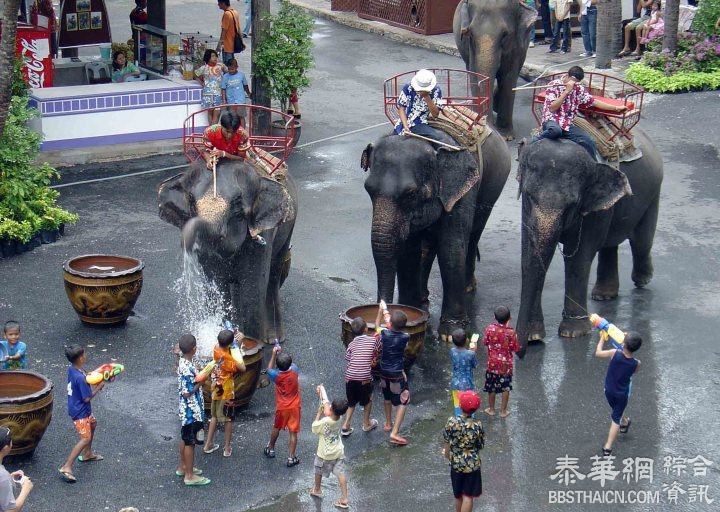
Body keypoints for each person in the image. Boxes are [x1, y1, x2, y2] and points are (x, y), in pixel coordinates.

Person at [532, 66, 628, 159]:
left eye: (577, 83)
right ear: (568, 76)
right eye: (574, 82)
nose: (575, 84)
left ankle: (593, 166)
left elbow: (593, 102)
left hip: (567, 123)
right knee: (555, 131)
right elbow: (552, 108)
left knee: (589, 142)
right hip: (552, 120)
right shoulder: (554, 85)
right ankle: (533, 142)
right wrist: (566, 91)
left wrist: (616, 108)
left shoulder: (578, 88)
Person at [58, 344, 105, 484]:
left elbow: (87, 378)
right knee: (84, 438)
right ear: (79, 358)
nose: (85, 356)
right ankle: (67, 466)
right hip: (80, 412)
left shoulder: (73, 370)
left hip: (77, 407)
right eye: (83, 355)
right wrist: (99, 387)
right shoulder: (80, 378)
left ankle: (87, 454)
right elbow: (87, 398)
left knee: (93, 423)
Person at [595, 330, 642, 456]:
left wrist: (601, 339)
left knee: (615, 417)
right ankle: (625, 421)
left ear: (624, 344)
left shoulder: (614, 353)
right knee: (617, 411)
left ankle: (608, 447)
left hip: (608, 390)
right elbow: (634, 371)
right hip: (622, 394)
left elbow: (598, 353)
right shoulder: (636, 363)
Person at [203, 330, 246, 458]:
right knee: (228, 419)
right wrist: (239, 342)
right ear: (230, 344)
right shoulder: (228, 359)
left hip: (215, 387)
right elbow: (242, 367)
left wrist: (235, 340)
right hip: (226, 391)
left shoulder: (216, 347)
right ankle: (227, 448)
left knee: (215, 416)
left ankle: (208, 444)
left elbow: (228, 346)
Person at [176, 334, 210, 485]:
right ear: (194, 349)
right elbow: (187, 392)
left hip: (186, 411)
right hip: (192, 411)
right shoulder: (187, 368)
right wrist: (202, 382)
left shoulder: (183, 362)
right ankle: (189, 476)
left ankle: (183, 467)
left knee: (185, 438)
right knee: (190, 442)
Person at [442, 391, 484, 512]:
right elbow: (480, 445)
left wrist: (447, 455)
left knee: (458, 495)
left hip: (456, 464)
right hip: (472, 465)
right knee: (468, 496)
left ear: (460, 406)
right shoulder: (478, 425)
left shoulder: (451, 422)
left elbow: (447, 444)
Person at [310, 385, 350, 510]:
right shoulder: (340, 418)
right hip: (338, 452)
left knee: (318, 470)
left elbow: (314, 428)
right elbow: (327, 405)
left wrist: (318, 413)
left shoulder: (325, 422)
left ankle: (317, 489)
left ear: (331, 408)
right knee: (341, 473)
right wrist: (322, 391)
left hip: (325, 454)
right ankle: (344, 498)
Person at [376, 305, 411, 446]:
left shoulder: (384, 333)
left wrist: (381, 311)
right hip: (396, 373)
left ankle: (388, 423)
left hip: (383, 371)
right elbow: (404, 349)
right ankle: (394, 432)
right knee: (404, 400)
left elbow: (377, 325)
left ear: (391, 324)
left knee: (387, 397)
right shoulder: (406, 337)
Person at [341, 317, 380, 436]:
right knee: (367, 401)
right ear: (366, 329)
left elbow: (348, 358)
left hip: (350, 378)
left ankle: (345, 426)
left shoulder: (351, 344)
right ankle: (366, 424)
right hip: (364, 379)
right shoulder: (372, 341)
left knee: (351, 402)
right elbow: (377, 348)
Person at [264, 346, 301, 467]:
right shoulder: (295, 369)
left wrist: (274, 354)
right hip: (295, 407)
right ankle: (291, 457)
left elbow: (268, 369)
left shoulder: (276, 376)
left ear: (278, 366)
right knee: (293, 433)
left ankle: (271, 448)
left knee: (277, 427)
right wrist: (282, 354)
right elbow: (289, 363)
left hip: (282, 407)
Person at [482, 307, 520, 418]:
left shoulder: (490, 329)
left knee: (491, 387)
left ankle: (491, 409)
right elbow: (515, 348)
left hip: (492, 364)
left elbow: (485, 341)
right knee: (505, 387)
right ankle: (503, 411)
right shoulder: (511, 332)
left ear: (494, 318)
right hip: (506, 366)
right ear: (510, 318)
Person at [394, 69, 445, 144]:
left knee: (437, 140)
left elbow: (435, 114)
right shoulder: (408, 87)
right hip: (404, 122)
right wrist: (405, 126)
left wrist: (427, 97)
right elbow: (401, 107)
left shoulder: (436, 90)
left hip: (420, 123)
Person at [0, 427, 33, 511]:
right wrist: (26, 489)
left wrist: (9, 477)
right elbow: (10, 510)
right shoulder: (3, 476)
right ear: (6, 447)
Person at [449, 329, 478, 417]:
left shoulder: (452, 351)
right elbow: (475, 365)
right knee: (469, 403)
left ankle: (459, 420)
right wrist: (473, 351)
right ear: (466, 340)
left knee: (457, 404)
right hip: (468, 384)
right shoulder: (471, 354)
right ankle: (470, 421)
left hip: (456, 383)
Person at [195, 49, 227, 126]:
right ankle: (212, 132)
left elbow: (227, 72)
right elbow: (195, 75)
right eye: (212, 56)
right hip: (207, 94)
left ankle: (211, 131)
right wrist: (201, 83)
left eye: (216, 56)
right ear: (207, 57)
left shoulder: (221, 66)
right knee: (210, 113)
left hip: (218, 94)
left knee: (217, 112)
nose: (215, 57)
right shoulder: (204, 68)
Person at [221, 58, 252, 126]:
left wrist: (249, 94)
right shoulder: (225, 77)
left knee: (241, 116)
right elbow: (223, 89)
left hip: (240, 100)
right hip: (230, 101)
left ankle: (242, 132)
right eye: (229, 69)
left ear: (237, 67)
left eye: (233, 69)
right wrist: (224, 100)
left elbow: (245, 85)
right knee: (232, 117)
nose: (231, 71)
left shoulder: (241, 75)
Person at [216, 0, 243, 66]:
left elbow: (224, 31)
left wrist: (219, 45)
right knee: (232, 64)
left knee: (227, 66)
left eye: (219, 2)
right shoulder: (235, 12)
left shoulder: (226, 14)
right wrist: (242, 42)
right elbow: (239, 29)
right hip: (234, 44)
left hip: (227, 45)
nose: (218, 4)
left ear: (223, 3)